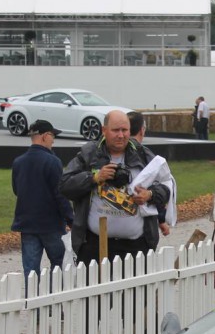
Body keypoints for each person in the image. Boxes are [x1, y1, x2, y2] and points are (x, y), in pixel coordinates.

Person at [59, 110, 170, 266]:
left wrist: (149, 194)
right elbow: (64, 185)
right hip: (94, 247)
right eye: (115, 130)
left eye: (124, 130)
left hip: (136, 247)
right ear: (104, 131)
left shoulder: (142, 154)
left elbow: (166, 187)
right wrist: (94, 178)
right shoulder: (90, 154)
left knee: (135, 291)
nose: (121, 135)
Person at [11, 120, 74, 279]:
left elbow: (17, 190)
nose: (53, 140)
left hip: (27, 224)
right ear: (45, 136)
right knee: (59, 265)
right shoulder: (53, 162)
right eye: (53, 136)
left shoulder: (18, 162)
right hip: (50, 224)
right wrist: (71, 219)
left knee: (30, 271)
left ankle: (33, 302)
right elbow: (60, 194)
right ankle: (55, 299)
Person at [129, 110, 175, 239]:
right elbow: (159, 186)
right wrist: (161, 220)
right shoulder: (147, 156)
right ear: (142, 130)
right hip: (141, 225)